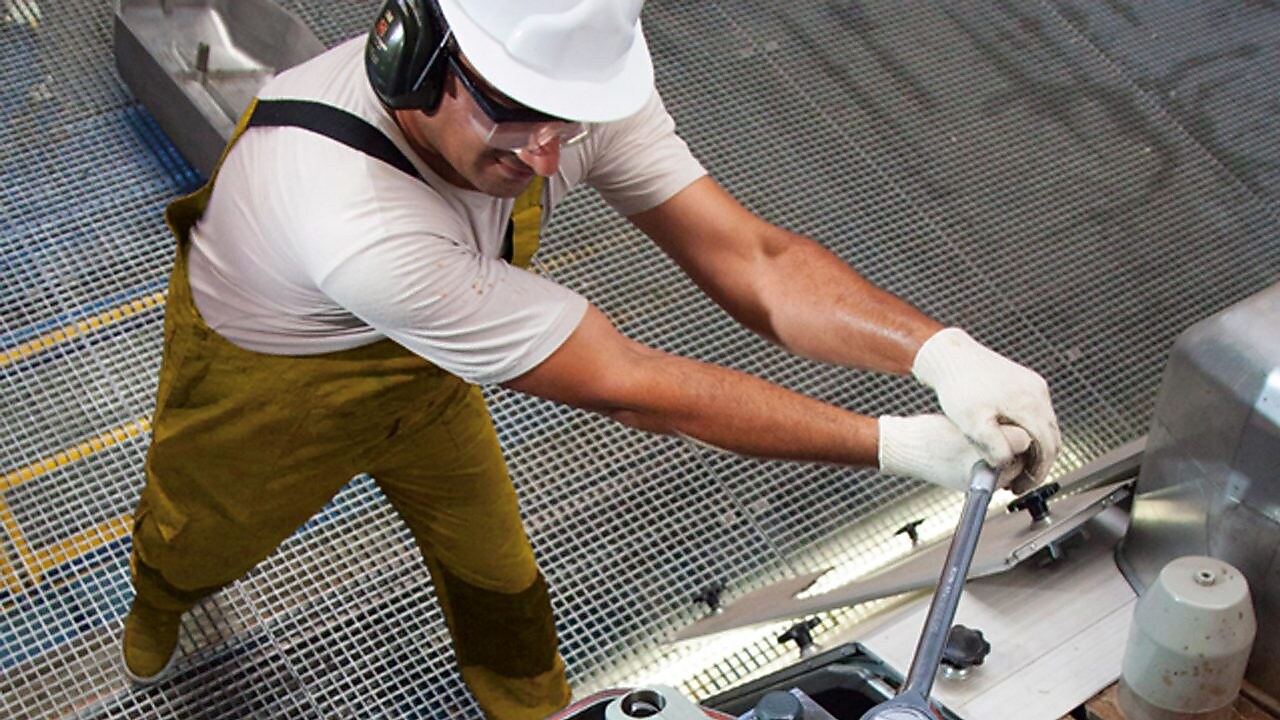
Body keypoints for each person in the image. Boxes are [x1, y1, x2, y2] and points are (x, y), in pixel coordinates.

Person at [120, 0, 1061, 717]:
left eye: (568, 121)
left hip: (430, 379)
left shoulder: (566, 99)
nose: (545, 154)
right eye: (516, 116)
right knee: (201, 535)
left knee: (502, 578)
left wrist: (942, 352)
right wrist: (897, 445)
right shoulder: (348, 215)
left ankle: (531, 709)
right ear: (413, 56)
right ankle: (162, 599)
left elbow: (756, 260)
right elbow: (632, 385)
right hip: (275, 388)